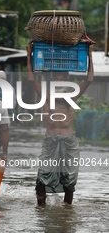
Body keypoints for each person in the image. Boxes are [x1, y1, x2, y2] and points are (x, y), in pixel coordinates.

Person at [26, 42, 94, 206]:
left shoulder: (72, 97)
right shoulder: (46, 96)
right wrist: (29, 55)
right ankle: (41, 209)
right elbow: (31, 78)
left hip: (68, 141)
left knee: (70, 179)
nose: (58, 82)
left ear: (66, 82)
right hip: (50, 140)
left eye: (61, 79)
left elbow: (89, 79)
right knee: (43, 176)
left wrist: (90, 54)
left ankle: (66, 211)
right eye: (55, 79)